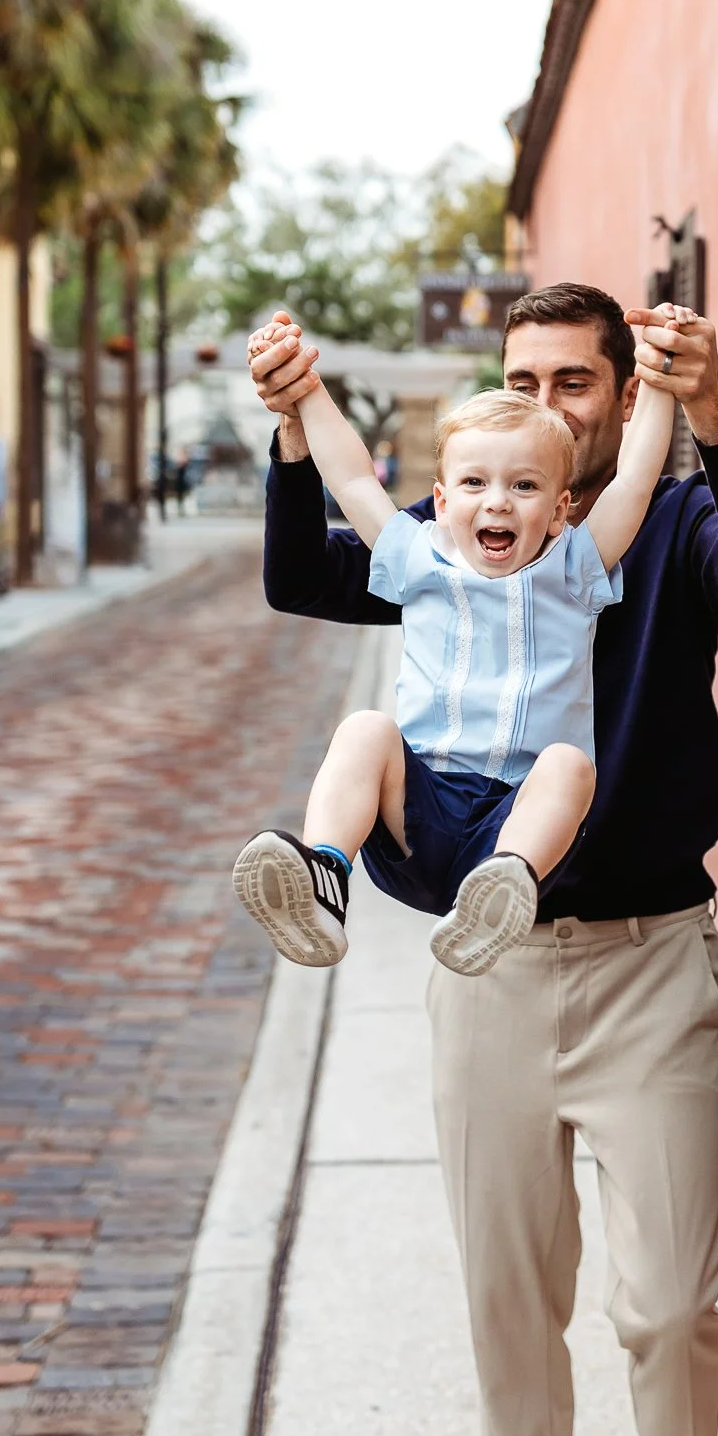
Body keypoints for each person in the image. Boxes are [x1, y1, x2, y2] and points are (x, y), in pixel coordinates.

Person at [251, 282, 718, 1436]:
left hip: (644, 959)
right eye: (521, 379)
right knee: (511, 1297)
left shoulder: (656, 526)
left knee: (668, 1297)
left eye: (575, 383)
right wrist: (290, 431)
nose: (548, 404)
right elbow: (309, 569)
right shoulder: (465, 524)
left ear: (622, 401)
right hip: (486, 963)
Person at [233, 314, 680, 978]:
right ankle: (326, 876)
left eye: (524, 486)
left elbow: (636, 480)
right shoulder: (417, 558)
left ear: (559, 510)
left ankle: (496, 894)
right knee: (363, 730)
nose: (497, 503)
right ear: (440, 502)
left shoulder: (575, 569)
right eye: (474, 484)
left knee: (569, 765)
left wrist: (664, 378)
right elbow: (354, 479)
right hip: (419, 817)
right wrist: (304, 390)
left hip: (516, 826)